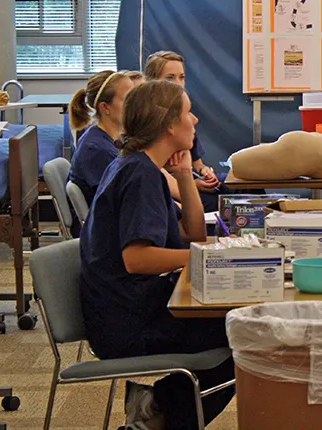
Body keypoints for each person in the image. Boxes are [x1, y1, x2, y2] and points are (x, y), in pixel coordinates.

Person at [79, 80, 235, 429]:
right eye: (187, 112)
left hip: (133, 308)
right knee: (246, 331)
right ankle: (160, 414)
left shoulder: (140, 165)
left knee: (240, 328)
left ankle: (155, 407)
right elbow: (137, 259)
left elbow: (190, 234)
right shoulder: (139, 174)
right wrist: (210, 258)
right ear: (168, 124)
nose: (194, 120)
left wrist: (182, 174)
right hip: (129, 323)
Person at [69, 70, 181, 209]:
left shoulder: (112, 139)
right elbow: (128, 202)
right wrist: (177, 209)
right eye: (129, 99)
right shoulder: (97, 150)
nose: (136, 105)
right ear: (105, 107)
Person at [145, 51, 225, 211]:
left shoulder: (185, 119)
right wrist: (189, 184)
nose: (178, 83)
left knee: (245, 190)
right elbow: (154, 172)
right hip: (173, 189)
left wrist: (205, 172)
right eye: (170, 78)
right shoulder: (148, 121)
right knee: (227, 205)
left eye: (181, 77)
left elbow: (198, 164)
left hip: (186, 179)